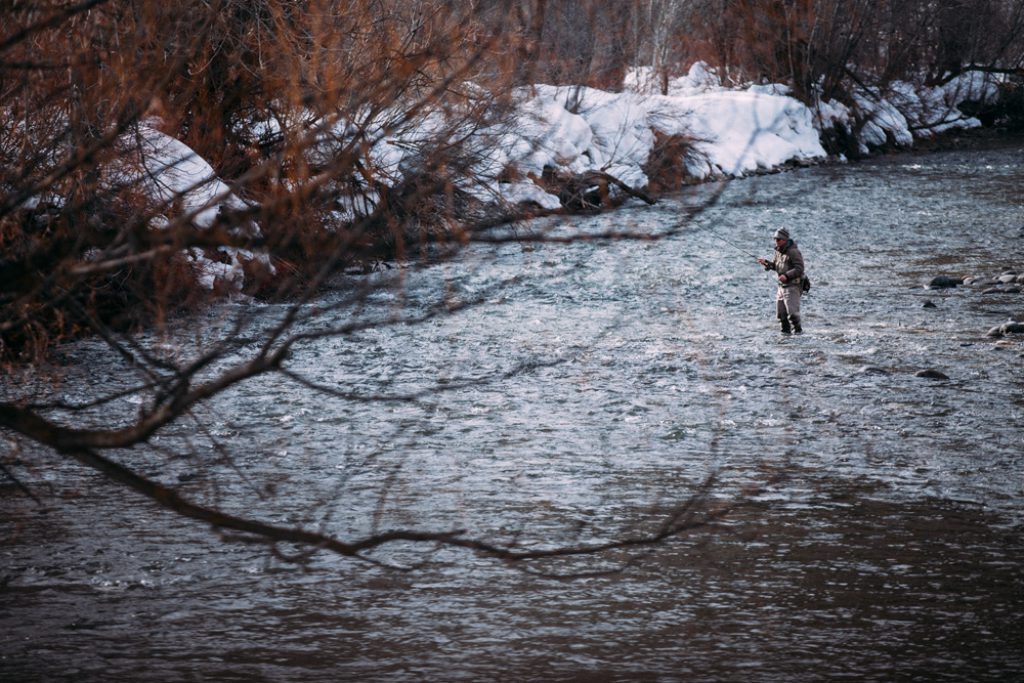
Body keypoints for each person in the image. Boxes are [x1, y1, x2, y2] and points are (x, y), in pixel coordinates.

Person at [756, 227, 805, 334]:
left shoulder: (793, 252)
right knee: (781, 316)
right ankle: (786, 340)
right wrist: (766, 263)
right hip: (781, 287)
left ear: (785, 240)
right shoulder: (778, 252)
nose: (776, 241)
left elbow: (800, 268)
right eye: (775, 239)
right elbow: (776, 266)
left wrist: (786, 276)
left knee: (793, 315)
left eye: (778, 239)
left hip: (792, 287)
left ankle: (799, 337)